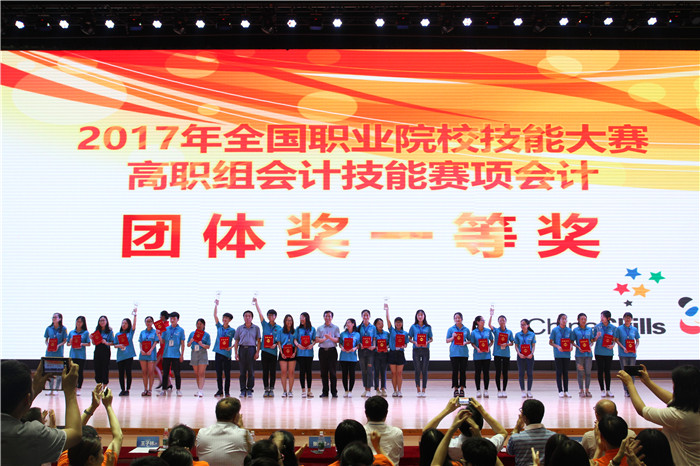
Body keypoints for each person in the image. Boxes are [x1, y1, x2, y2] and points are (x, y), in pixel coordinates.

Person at [1, 359, 82, 466]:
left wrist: (33, 389)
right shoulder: (32, 435)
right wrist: (70, 391)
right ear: (27, 399)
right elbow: (75, 433)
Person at [618, 364, 700, 465]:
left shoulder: (677, 416)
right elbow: (672, 399)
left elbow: (642, 410)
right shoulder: (693, 404)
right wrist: (647, 382)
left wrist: (630, 384)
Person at [423, 397, 507, 462]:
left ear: (459, 425)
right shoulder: (490, 446)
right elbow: (502, 432)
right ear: (480, 424)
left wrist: (447, 410)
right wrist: (483, 412)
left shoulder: (449, 446)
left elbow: (427, 433)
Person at [66, 387, 123, 466]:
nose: (103, 456)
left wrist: (93, 406)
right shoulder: (105, 464)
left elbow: (73, 433)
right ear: (91, 459)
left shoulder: (64, 462)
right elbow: (118, 437)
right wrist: (108, 406)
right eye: (101, 453)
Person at [196, 397, 253, 466]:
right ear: (236, 416)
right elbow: (254, 451)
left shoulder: (202, 433)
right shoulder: (243, 434)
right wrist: (242, 427)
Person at [504, 399, 556, 466]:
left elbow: (509, 451)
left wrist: (516, 428)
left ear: (524, 417)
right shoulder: (553, 437)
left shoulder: (515, 438)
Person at [253, 297, 282, 397]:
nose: (270, 317)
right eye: (269, 315)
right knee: (265, 371)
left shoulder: (279, 328)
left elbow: (279, 340)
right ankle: (266, 389)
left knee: (272, 372)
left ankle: (272, 389)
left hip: (273, 353)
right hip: (264, 352)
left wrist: (276, 344)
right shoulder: (265, 325)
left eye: (272, 315)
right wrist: (256, 303)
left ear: (275, 316)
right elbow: (260, 314)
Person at [364, 395, 404, 466]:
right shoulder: (397, 432)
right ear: (386, 413)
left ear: (366, 413)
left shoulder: (360, 432)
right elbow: (400, 455)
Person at [235, 310, 262, 398]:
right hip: (242, 349)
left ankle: (250, 389)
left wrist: (257, 352)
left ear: (252, 318)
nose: (247, 317)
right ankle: (243, 390)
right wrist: (236, 353)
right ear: (243, 317)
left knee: (251, 371)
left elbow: (259, 341)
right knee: (242, 371)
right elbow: (236, 341)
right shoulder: (239, 328)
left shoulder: (256, 328)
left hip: (251, 349)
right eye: (246, 316)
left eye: (249, 316)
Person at [488, 306, 513, 398]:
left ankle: (504, 390)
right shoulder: (496, 330)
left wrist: (507, 344)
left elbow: (512, 342)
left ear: (506, 321)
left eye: (503, 320)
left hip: (506, 354)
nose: (502, 322)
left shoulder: (509, 332)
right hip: (497, 354)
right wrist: (491, 315)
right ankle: (499, 390)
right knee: (498, 372)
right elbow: (489, 325)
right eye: (500, 320)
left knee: (505, 372)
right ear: (498, 322)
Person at [159, 312, 186, 396]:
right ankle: (164, 389)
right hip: (166, 354)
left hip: (176, 355)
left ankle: (178, 389)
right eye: (171, 318)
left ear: (178, 319)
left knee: (177, 373)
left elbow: (182, 343)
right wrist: (158, 335)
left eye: (174, 318)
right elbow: (162, 341)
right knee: (165, 373)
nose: (172, 320)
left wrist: (182, 354)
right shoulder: (166, 329)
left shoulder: (181, 330)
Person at [213, 299, 236, 397]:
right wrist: (216, 305)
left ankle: (227, 391)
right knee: (218, 373)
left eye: (227, 318)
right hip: (218, 352)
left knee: (227, 374)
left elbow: (238, 340)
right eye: (224, 317)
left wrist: (231, 347)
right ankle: (220, 391)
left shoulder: (232, 330)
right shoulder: (219, 327)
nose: (224, 319)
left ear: (230, 320)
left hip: (227, 354)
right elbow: (215, 315)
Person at [614, 312, 640, 397]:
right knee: (625, 372)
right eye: (626, 317)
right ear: (623, 319)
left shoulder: (634, 329)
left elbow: (637, 341)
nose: (627, 319)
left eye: (629, 318)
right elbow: (616, 340)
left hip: (632, 354)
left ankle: (631, 390)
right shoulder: (619, 329)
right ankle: (626, 390)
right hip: (623, 354)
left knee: (632, 372)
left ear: (631, 319)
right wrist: (623, 348)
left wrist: (635, 348)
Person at [409, 309, 434, 397]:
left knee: (424, 370)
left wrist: (427, 342)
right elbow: (409, 338)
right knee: (417, 369)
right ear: (416, 316)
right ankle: (418, 389)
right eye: (418, 315)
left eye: (421, 315)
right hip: (416, 349)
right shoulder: (413, 327)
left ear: (424, 316)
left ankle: (424, 389)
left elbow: (431, 339)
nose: (420, 317)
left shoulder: (428, 327)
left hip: (425, 349)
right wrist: (414, 342)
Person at [316, 310, 340, 398]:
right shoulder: (320, 328)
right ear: (323, 317)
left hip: (332, 351)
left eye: (329, 316)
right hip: (322, 351)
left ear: (332, 317)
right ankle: (325, 392)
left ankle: (334, 392)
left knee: (333, 373)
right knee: (323, 373)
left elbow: (337, 340)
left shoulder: (336, 328)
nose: (327, 318)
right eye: (326, 316)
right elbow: (317, 340)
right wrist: (325, 339)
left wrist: (330, 337)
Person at [386, 302, 408, 397]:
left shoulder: (405, 333)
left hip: (400, 353)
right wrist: (387, 310)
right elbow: (388, 320)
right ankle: (394, 390)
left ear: (402, 323)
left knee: (399, 373)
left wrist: (404, 346)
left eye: (400, 322)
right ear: (395, 323)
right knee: (393, 373)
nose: (398, 324)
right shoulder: (392, 330)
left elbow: (406, 344)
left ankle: (399, 390)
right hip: (392, 353)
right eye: (397, 322)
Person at [44, 312, 69, 394]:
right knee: (50, 371)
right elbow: (46, 340)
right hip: (49, 353)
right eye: (53, 317)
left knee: (58, 372)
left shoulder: (63, 329)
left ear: (60, 319)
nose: (53, 318)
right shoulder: (49, 328)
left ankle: (56, 389)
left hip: (58, 353)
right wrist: (48, 345)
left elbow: (65, 341)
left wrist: (58, 345)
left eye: (55, 317)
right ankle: (51, 389)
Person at [594, 310, 617, 397]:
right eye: (601, 316)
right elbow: (593, 340)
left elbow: (614, 339)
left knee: (607, 371)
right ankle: (602, 390)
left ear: (608, 318)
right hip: (599, 352)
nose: (601, 318)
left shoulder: (613, 328)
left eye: (603, 316)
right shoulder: (597, 327)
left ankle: (608, 389)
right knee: (600, 370)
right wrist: (596, 336)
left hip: (608, 352)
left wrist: (613, 345)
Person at [446, 312, 470, 397]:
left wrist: (465, 342)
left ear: (462, 319)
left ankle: (462, 389)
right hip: (454, 353)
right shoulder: (451, 329)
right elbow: (447, 340)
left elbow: (470, 340)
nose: (457, 319)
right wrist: (453, 337)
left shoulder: (466, 329)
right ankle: (456, 389)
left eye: (459, 318)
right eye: (456, 318)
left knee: (463, 371)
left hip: (464, 353)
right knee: (455, 371)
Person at [549, 313, 572, 398]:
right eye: (563, 319)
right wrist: (558, 346)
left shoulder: (569, 330)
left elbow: (571, 341)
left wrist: (571, 346)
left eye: (565, 319)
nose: (564, 320)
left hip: (567, 354)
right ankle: (560, 391)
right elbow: (551, 342)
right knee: (559, 372)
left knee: (566, 372)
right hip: (558, 354)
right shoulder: (555, 330)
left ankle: (566, 390)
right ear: (559, 320)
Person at [115, 309, 137, 396]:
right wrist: (119, 345)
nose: (124, 325)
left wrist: (135, 315)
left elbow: (134, 325)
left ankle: (127, 389)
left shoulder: (130, 333)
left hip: (129, 355)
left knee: (128, 372)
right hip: (120, 356)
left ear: (128, 325)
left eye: (126, 323)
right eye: (123, 323)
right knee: (121, 373)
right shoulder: (118, 334)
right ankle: (122, 389)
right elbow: (115, 344)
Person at [470, 315, 493, 398]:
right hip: (477, 355)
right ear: (478, 322)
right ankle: (478, 390)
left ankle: (486, 390)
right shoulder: (474, 332)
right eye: (482, 320)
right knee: (478, 373)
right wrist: (477, 348)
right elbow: (472, 343)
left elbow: (492, 341)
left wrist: (488, 347)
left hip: (486, 355)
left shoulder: (488, 331)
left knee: (486, 373)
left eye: (484, 320)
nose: (484, 322)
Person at [572, 313, 593, 397]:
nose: (583, 321)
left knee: (588, 372)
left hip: (588, 354)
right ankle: (581, 390)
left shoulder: (589, 329)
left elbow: (592, 341)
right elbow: (572, 341)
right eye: (582, 319)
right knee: (580, 373)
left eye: (585, 319)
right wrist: (578, 347)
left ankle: (587, 390)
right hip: (579, 355)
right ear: (578, 320)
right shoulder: (575, 330)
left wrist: (590, 346)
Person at [68, 316, 91, 396]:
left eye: (80, 322)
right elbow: (68, 344)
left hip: (81, 356)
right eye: (77, 321)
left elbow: (89, 343)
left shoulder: (85, 333)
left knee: (80, 372)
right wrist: (70, 342)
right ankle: (72, 387)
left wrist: (81, 344)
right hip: (73, 355)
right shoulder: (71, 332)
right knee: (72, 372)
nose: (78, 323)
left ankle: (79, 388)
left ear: (83, 323)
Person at [188, 318, 211, 397]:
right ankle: (199, 389)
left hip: (202, 353)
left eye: (200, 324)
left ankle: (201, 390)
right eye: (197, 324)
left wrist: (202, 344)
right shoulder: (192, 333)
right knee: (197, 373)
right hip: (194, 353)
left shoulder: (206, 335)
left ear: (204, 325)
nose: (199, 325)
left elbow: (208, 346)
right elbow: (188, 345)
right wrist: (191, 341)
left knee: (201, 373)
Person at [294, 312, 315, 398]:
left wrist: (312, 345)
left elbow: (314, 340)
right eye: (300, 318)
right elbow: (295, 339)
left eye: (303, 318)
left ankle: (309, 390)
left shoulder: (312, 329)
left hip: (309, 353)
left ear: (307, 318)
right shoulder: (298, 329)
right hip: (300, 353)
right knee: (302, 371)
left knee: (309, 371)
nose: (301, 319)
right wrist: (298, 345)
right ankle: (303, 390)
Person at [514, 319, 536, 398]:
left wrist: (531, 354)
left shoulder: (532, 334)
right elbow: (516, 345)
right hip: (521, 356)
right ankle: (523, 391)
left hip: (529, 356)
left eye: (524, 324)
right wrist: (519, 353)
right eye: (521, 325)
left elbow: (533, 345)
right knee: (521, 373)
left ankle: (529, 391)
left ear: (528, 325)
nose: (522, 326)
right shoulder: (517, 334)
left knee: (530, 373)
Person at [357, 309, 377, 398]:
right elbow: (357, 338)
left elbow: (374, 338)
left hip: (370, 351)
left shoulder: (373, 327)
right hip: (361, 351)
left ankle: (369, 389)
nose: (365, 317)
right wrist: (359, 344)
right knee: (363, 370)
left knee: (369, 370)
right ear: (362, 316)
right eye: (364, 315)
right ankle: (365, 389)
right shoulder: (358, 327)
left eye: (367, 315)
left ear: (369, 316)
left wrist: (374, 346)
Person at [339, 318, 361, 397]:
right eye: (347, 322)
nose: (347, 324)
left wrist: (354, 348)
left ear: (353, 324)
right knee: (344, 374)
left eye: (349, 322)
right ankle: (346, 390)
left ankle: (350, 390)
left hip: (352, 357)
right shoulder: (343, 334)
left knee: (352, 374)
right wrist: (342, 347)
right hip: (343, 357)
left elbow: (358, 345)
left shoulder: (357, 334)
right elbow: (340, 343)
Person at [139, 316, 159, 396]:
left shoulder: (155, 332)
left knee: (151, 372)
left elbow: (155, 342)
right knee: (144, 372)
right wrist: (141, 350)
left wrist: (150, 350)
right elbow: (140, 342)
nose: (148, 323)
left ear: (152, 322)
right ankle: (145, 389)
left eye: (150, 321)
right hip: (143, 354)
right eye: (147, 321)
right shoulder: (142, 332)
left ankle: (150, 389)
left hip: (151, 354)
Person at [278, 315, 297, 397]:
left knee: (291, 372)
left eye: (290, 320)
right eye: (287, 320)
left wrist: (294, 352)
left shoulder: (295, 331)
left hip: (292, 351)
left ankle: (290, 391)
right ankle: (284, 391)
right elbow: (279, 342)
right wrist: (281, 352)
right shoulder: (280, 331)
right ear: (284, 321)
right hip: (283, 351)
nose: (289, 322)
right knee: (283, 372)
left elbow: (296, 342)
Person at [93, 315, 114, 386]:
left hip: (105, 351)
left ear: (106, 321)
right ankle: (98, 385)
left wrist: (106, 342)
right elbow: (94, 343)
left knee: (105, 368)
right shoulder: (97, 331)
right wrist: (92, 339)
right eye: (100, 321)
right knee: (97, 367)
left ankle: (105, 385)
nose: (102, 322)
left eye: (103, 320)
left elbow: (113, 342)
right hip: (97, 351)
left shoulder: (110, 331)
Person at [373, 318, 390, 397]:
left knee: (383, 372)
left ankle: (383, 388)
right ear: (375, 325)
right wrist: (376, 347)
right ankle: (377, 389)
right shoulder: (373, 334)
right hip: (376, 354)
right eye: (379, 324)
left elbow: (389, 343)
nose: (381, 325)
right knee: (376, 371)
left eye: (382, 323)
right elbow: (372, 343)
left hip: (384, 355)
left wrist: (387, 347)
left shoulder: (386, 333)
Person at [154, 310, 171, 389]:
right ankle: (169, 383)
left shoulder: (164, 326)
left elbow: (161, 338)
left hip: (163, 348)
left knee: (155, 365)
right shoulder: (167, 325)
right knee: (165, 367)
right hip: (165, 348)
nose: (160, 318)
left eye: (160, 316)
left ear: (163, 317)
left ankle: (162, 381)